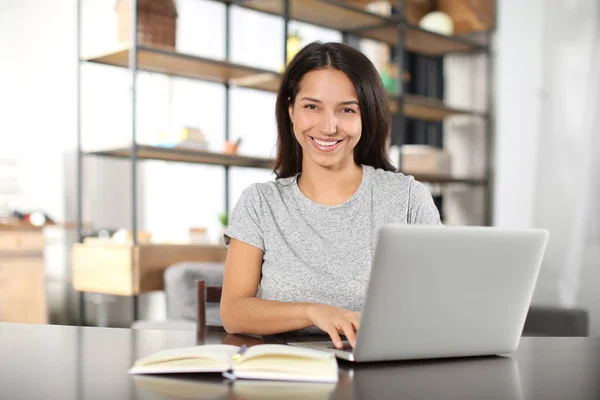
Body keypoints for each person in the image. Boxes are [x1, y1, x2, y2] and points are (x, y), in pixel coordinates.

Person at [220, 41, 440, 349]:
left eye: (347, 110)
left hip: (382, 372)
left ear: (367, 116)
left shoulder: (407, 199)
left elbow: (436, 304)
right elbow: (234, 311)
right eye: (312, 107)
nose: (328, 126)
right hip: (286, 377)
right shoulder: (260, 203)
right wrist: (314, 312)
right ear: (291, 110)